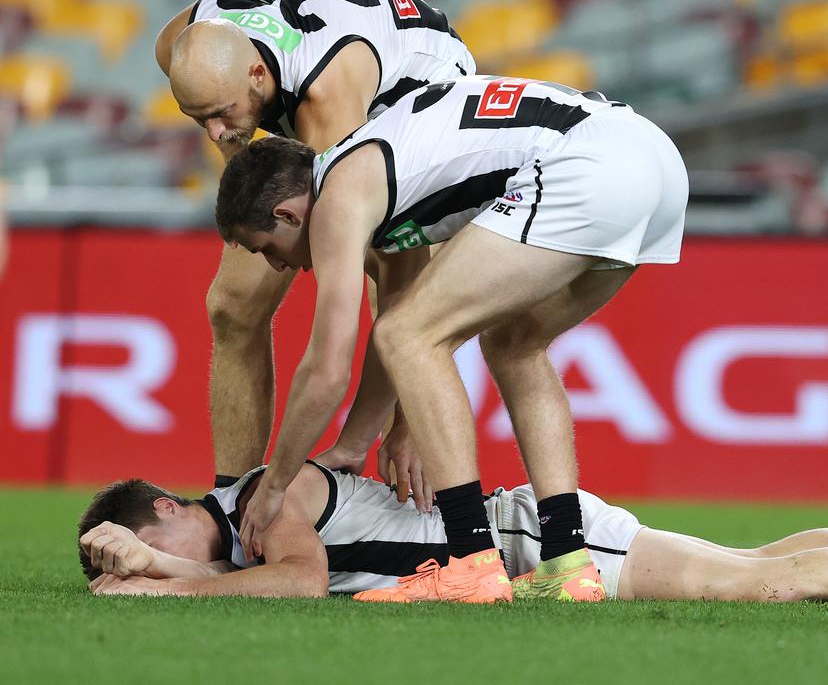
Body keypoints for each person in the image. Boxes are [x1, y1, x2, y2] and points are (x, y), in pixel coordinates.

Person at [214, 75, 689, 602]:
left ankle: (471, 560)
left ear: (288, 213)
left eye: (266, 248)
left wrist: (275, 484)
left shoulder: (337, 197)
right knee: (513, 345)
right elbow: (395, 315)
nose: (279, 264)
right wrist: (354, 444)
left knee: (411, 335)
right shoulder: (376, 181)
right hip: (653, 159)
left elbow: (329, 368)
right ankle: (567, 562)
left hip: (587, 165)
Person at [155, 0, 475, 502]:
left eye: (221, 114)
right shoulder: (182, 49)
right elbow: (234, 137)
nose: (216, 133)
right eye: (197, 117)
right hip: (332, 59)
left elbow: (398, 267)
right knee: (233, 305)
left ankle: (425, 496)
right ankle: (233, 510)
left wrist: (405, 415)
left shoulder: (326, 97)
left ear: (257, 75)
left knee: (397, 300)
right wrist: (231, 130)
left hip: (418, 99)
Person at [78, 462, 828, 608]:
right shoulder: (247, 512)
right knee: (762, 558)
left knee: (753, 584)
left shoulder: (261, 496)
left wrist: (163, 578)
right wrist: (165, 568)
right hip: (524, 528)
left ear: (164, 510)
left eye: (136, 536)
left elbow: (295, 582)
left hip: (531, 543)